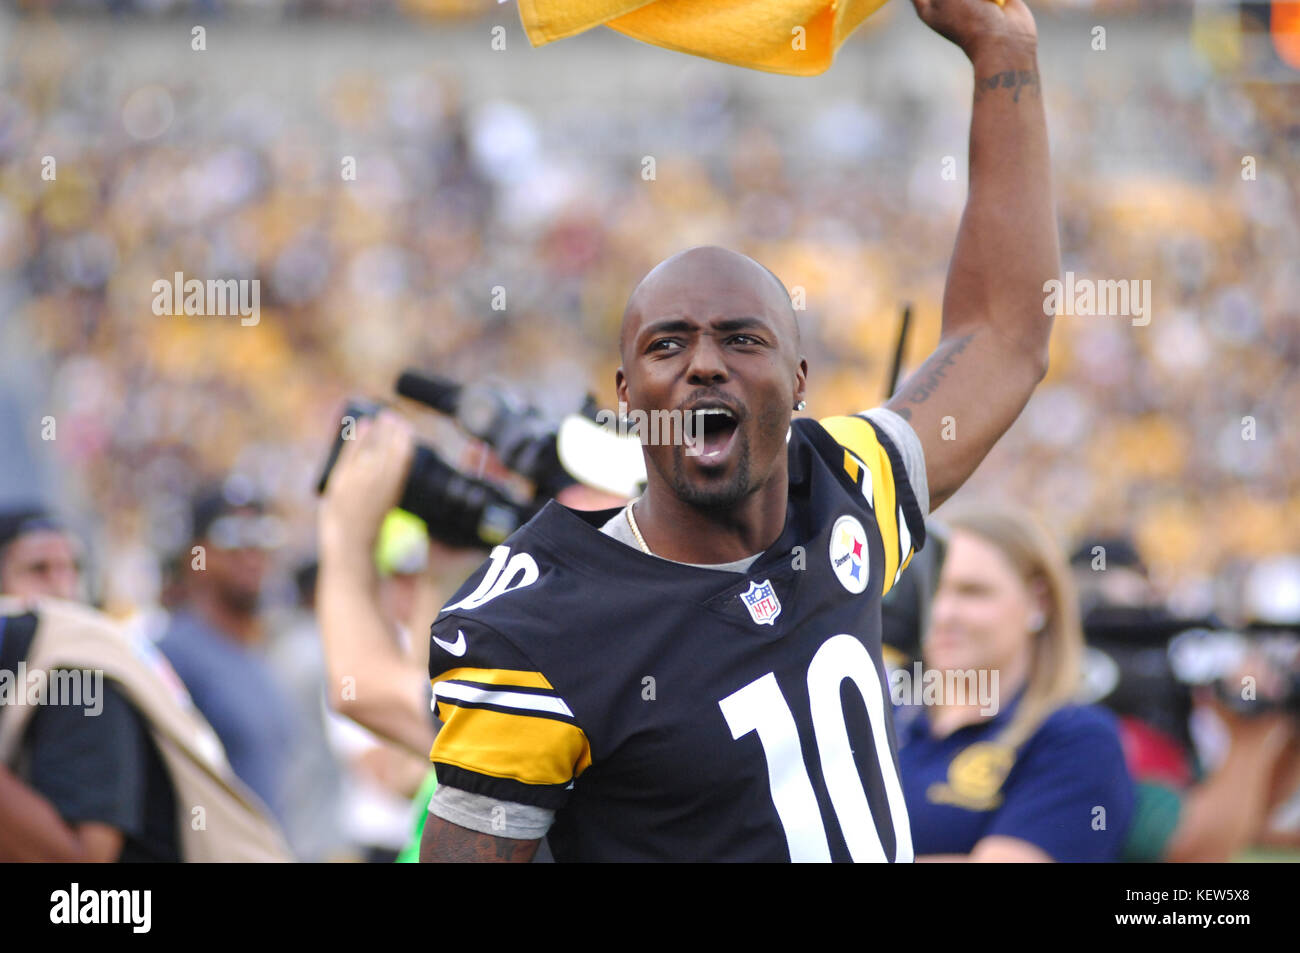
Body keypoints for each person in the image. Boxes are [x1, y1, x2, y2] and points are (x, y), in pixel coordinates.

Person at [419, 0, 1059, 862]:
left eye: (742, 338)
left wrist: (1002, 46)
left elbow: (1007, 334)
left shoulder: (838, 489)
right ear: (627, 394)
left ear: (799, 384)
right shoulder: (541, 627)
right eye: (667, 345)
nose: (705, 364)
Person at [894, 504, 1134, 861]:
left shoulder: (1076, 738)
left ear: (1039, 601)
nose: (943, 614)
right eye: (933, 592)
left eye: (972, 591)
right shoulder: (883, 720)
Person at [156, 482, 296, 823]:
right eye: (232, 537)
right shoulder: (174, 655)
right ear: (196, 556)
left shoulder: (261, 649)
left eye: (263, 536)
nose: (251, 552)